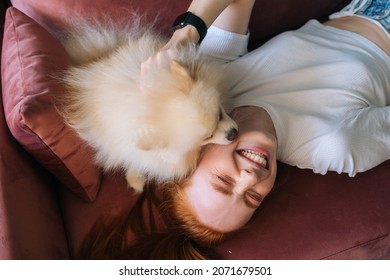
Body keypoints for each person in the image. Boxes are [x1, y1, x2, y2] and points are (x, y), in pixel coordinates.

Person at [79, 0, 390, 259]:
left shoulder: (220, 83)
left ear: (195, 158)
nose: (250, 178)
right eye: (252, 198)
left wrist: (186, 35)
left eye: (223, 181)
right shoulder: (332, 146)